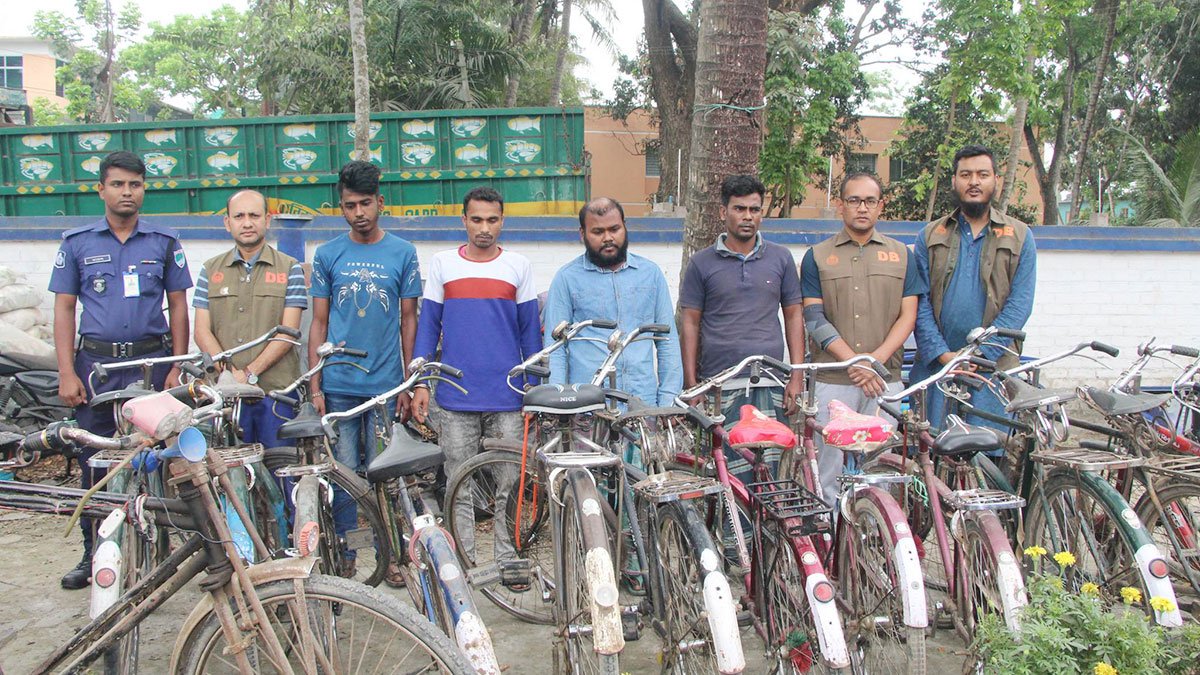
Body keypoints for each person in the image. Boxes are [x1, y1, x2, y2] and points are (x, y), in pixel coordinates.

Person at [49, 150, 192, 589]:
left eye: (135, 184)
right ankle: (95, 554)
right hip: (97, 366)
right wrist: (66, 372)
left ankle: (161, 550)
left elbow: (179, 306)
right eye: (118, 184)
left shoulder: (164, 242)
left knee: (155, 457)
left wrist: (177, 366)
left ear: (143, 188)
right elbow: (64, 308)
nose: (127, 192)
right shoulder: (77, 243)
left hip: (150, 365)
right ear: (101, 189)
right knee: (96, 460)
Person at [411, 186, 540, 561]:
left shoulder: (518, 266)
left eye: (492, 219)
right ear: (463, 220)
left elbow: (530, 334)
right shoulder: (442, 264)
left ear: (503, 221)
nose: (484, 228)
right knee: (458, 484)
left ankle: (507, 557)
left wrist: (533, 391)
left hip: (508, 395)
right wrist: (421, 382)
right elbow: (428, 327)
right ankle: (463, 563)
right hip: (454, 394)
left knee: (511, 483)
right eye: (477, 219)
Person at [309, 161, 421, 574]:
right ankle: (345, 555)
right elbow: (318, 322)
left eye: (366, 203)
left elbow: (409, 320)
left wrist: (408, 383)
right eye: (350, 205)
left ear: (380, 203)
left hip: (386, 386)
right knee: (341, 476)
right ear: (341, 207)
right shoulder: (327, 254)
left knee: (384, 475)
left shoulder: (403, 253)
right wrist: (316, 387)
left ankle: (390, 556)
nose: (359, 212)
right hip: (338, 385)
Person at [799, 173, 925, 504]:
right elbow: (813, 318)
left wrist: (873, 362)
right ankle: (829, 536)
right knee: (828, 471)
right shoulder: (817, 256)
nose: (862, 208)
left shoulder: (902, 255)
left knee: (880, 469)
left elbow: (908, 316)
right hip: (833, 381)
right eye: (854, 200)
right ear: (840, 205)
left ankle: (873, 541)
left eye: (870, 201)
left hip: (884, 382)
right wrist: (856, 363)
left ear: (881, 206)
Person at [679, 174, 805, 477]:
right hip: (721, 386)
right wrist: (692, 383)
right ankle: (735, 527)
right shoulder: (701, 263)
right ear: (724, 212)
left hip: (771, 382)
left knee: (773, 471)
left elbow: (793, 315)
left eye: (754, 209)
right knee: (729, 473)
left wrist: (796, 377)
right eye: (739, 209)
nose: (747, 217)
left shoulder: (781, 258)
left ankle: (768, 527)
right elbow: (690, 322)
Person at [912, 144, 1037, 433]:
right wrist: (945, 356)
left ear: (996, 180)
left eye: (982, 174)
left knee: (988, 459)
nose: (974, 182)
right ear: (954, 181)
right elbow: (919, 301)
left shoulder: (1020, 236)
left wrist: (979, 357)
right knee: (934, 456)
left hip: (993, 371)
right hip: (938, 369)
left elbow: (1020, 304)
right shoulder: (930, 235)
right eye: (965, 175)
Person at [543, 197, 682, 418]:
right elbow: (555, 348)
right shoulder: (567, 279)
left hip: (643, 406)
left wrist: (668, 401)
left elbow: (667, 342)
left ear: (624, 226)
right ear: (583, 234)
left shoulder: (651, 274)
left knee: (647, 455)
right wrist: (558, 404)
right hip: (588, 409)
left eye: (614, 229)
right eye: (597, 232)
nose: (608, 238)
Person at [193, 189, 307, 448]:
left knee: (280, 474)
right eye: (239, 216)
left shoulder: (290, 268)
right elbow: (201, 332)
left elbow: (288, 332)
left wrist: (248, 374)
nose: (247, 223)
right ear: (227, 223)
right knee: (230, 475)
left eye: (254, 215)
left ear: (267, 220)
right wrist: (230, 376)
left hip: (276, 395)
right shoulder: (210, 270)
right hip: (224, 397)